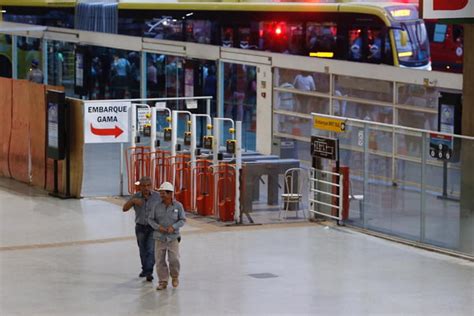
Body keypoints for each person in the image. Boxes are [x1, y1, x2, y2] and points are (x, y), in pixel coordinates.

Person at [148, 181, 186, 290]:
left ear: (170, 194)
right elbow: (150, 219)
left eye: (163, 193)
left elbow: (182, 219)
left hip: (173, 237)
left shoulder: (178, 206)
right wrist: (158, 227)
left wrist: (173, 227)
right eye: (160, 193)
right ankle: (163, 281)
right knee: (159, 260)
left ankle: (175, 276)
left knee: (174, 259)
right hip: (159, 238)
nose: (161, 195)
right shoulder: (156, 206)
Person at [122, 176, 161, 282]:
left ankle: (149, 271)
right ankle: (145, 269)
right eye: (143, 186)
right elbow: (124, 209)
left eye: (148, 185)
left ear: (151, 185)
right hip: (140, 227)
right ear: (140, 187)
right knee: (142, 250)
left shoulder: (157, 197)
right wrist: (133, 201)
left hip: (153, 228)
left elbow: (167, 206)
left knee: (151, 250)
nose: (146, 188)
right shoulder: (136, 196)